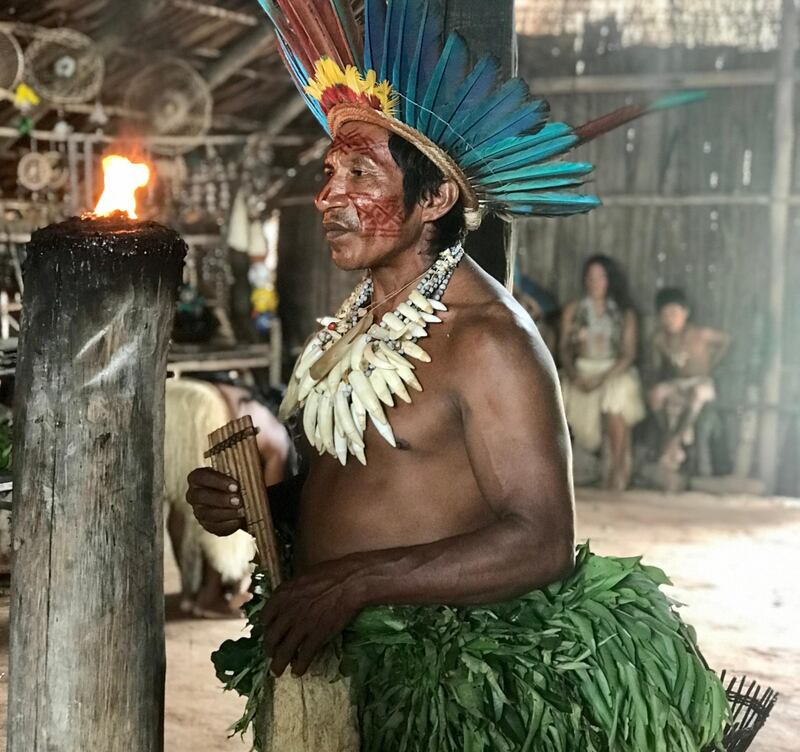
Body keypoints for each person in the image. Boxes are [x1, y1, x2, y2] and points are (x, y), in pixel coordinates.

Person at [182, 3, 727, 750]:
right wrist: (264, 503)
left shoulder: (489, 341)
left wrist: (354, 583)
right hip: (343, 653)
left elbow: (542, 541)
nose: (327, 197)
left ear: (434, 199)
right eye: (329, 172)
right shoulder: (359, 322)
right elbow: (380, 485)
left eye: (360, 174)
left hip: (442, 673)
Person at [165, 376, 291, 617]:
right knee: (226, 501)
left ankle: (190, 594)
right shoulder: (278, 437)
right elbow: (264, 515)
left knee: (183, 503)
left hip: (175, 395)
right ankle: (210, 596)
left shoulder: (251, 399)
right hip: (202, 406)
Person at [559, 255, 646, 490]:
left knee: (615, 396)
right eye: (590, 276)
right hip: (581, 370)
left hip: (613, 370)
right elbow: (564, 348)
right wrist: (574, 374)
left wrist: (602, 378)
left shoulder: (624, 313)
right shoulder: (574, 309)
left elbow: (628, 354)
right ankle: (564, 473)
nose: (594, 281)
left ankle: (618, 470)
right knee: (555, 393)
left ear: (610, 280)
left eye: (600, 276)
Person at [649, 287, 731, 472]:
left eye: (674, 313)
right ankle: (670, 437)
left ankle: (674, 441)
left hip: (702, 382)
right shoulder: (660, 339)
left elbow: (727, 340)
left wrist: (713, 363)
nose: (669, 319)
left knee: (696, 393)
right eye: (665, 314)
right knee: (656, 394)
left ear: (685, 313)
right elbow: (658, 368)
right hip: (678, 383)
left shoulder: (700, 334)